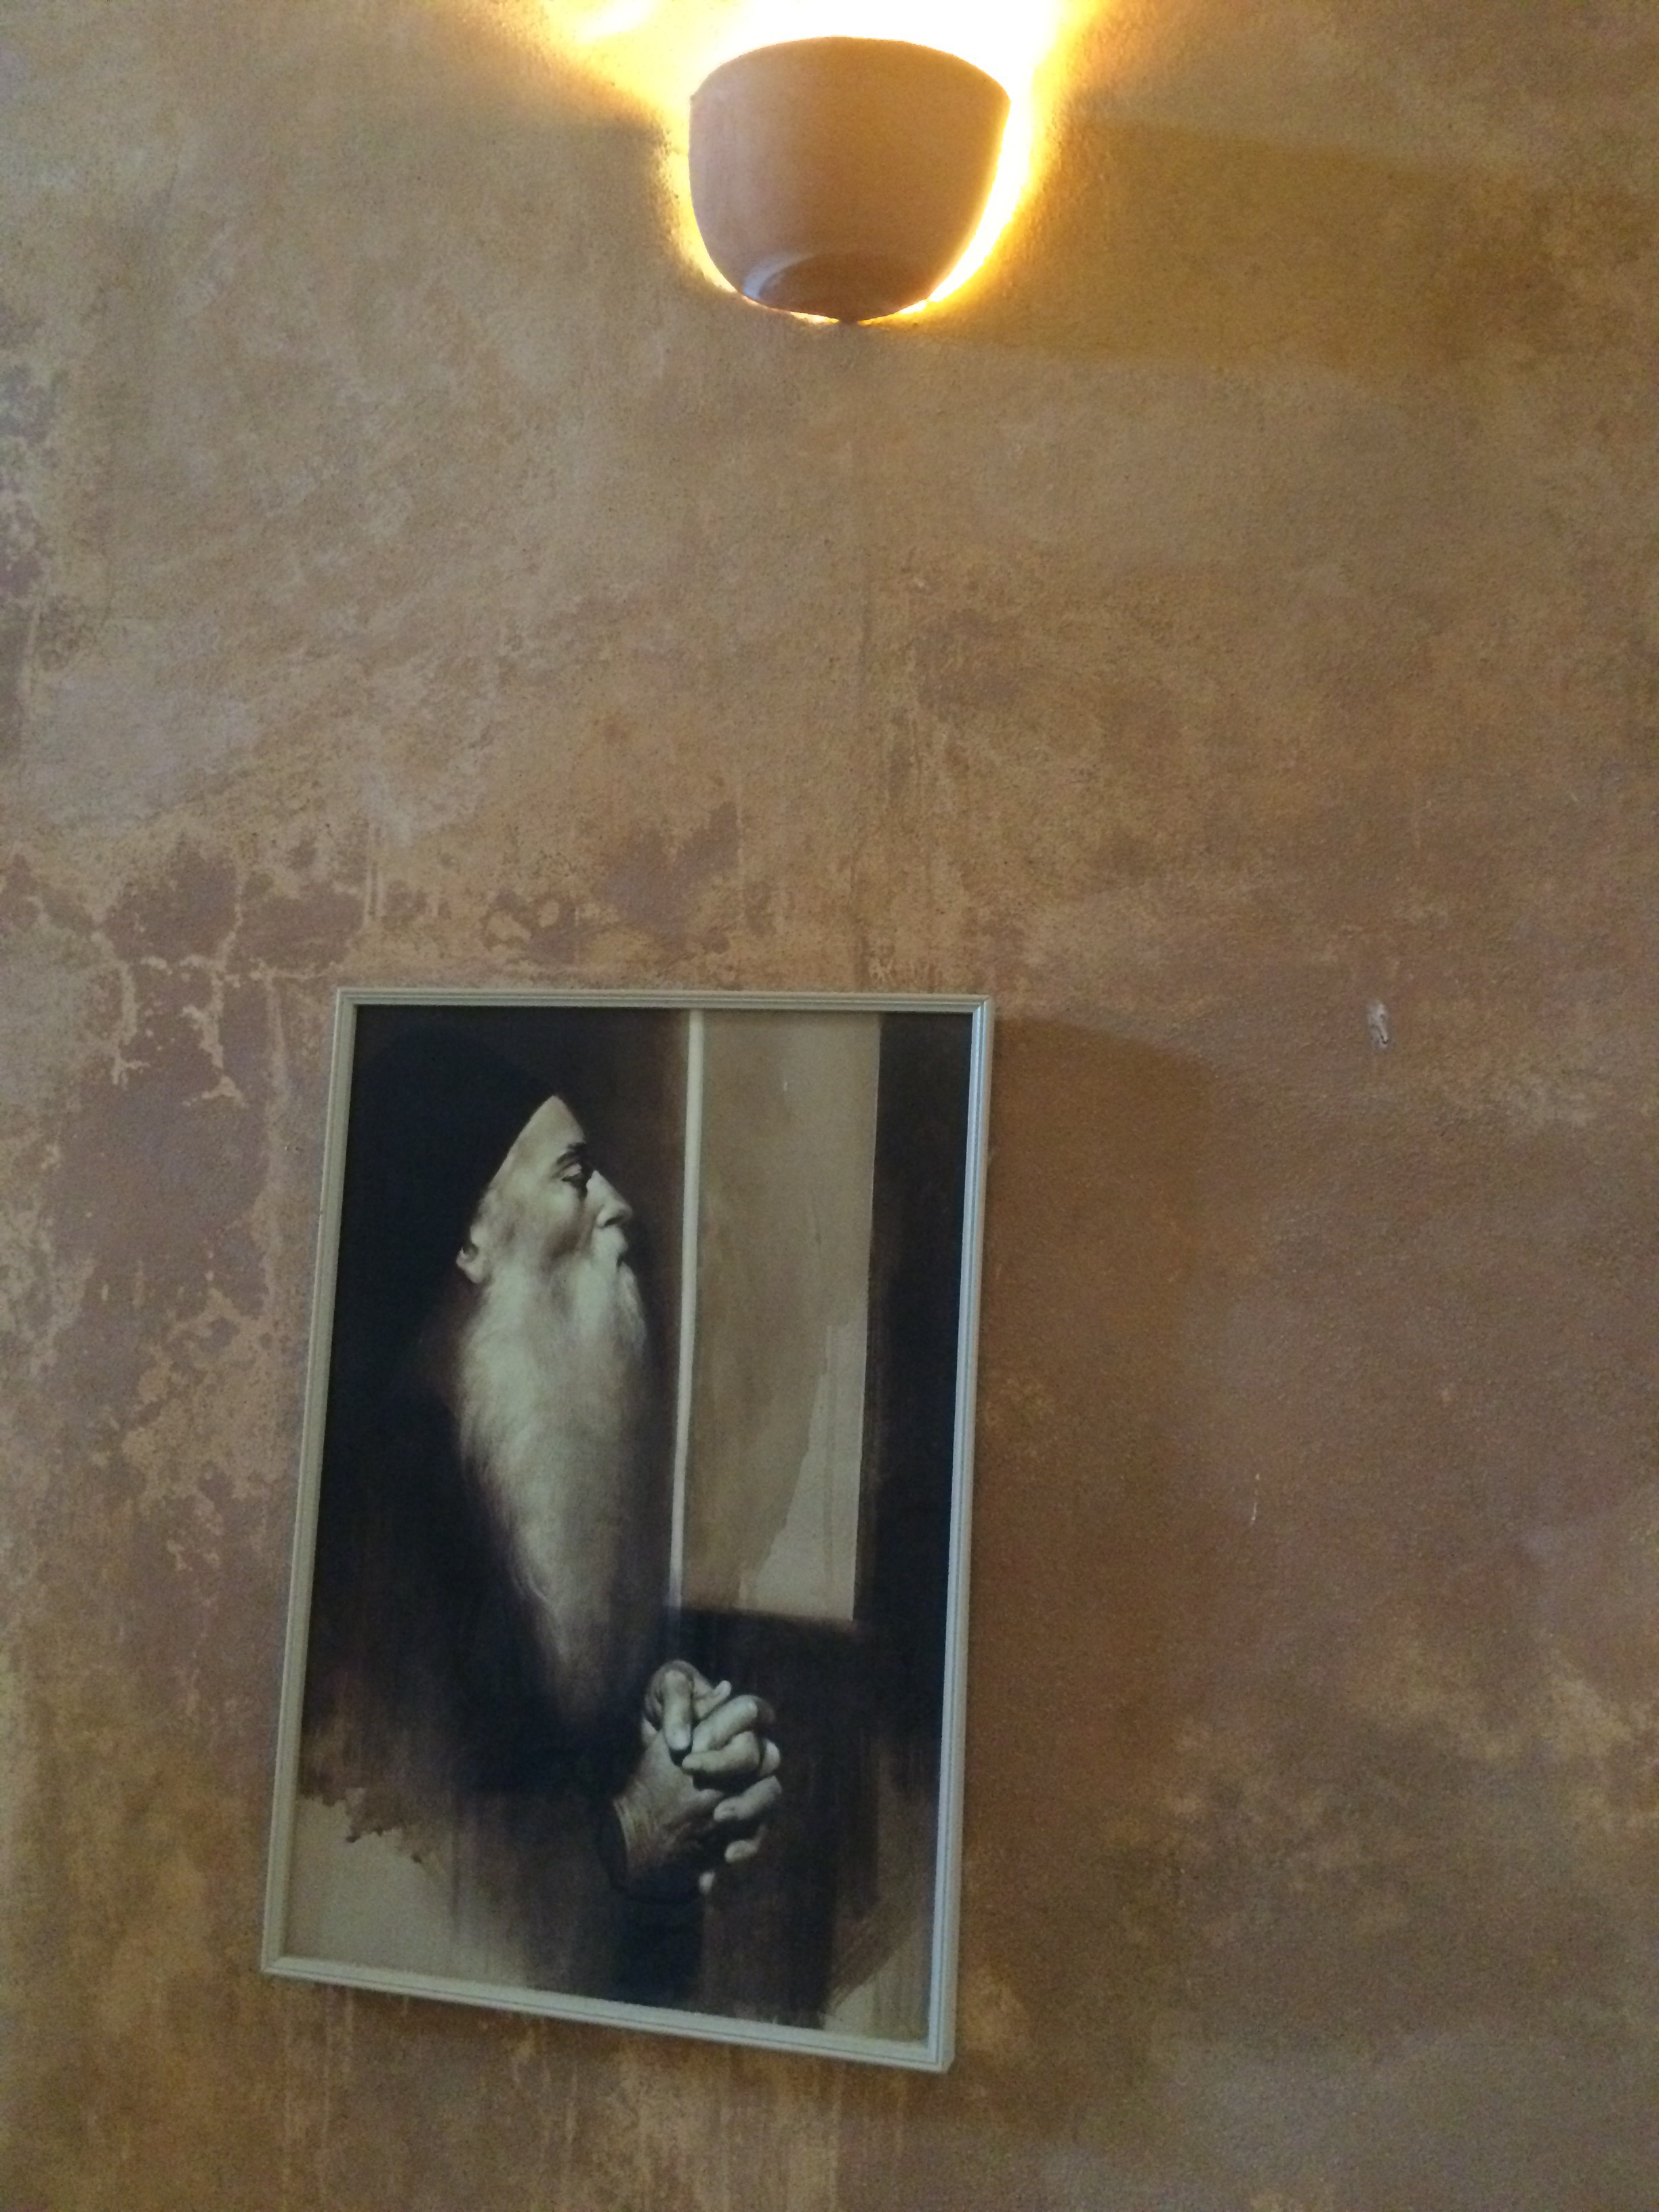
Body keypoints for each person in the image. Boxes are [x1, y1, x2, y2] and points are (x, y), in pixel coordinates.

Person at [288, 1030, 780, 2001]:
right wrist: (635, 1829)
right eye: (575, 1176)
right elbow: (405, 1887)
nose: (617, 1206)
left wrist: (660, 1727)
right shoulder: (379, 1513)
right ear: (470, 1239)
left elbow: (529, 1751)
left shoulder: (501, 1460)